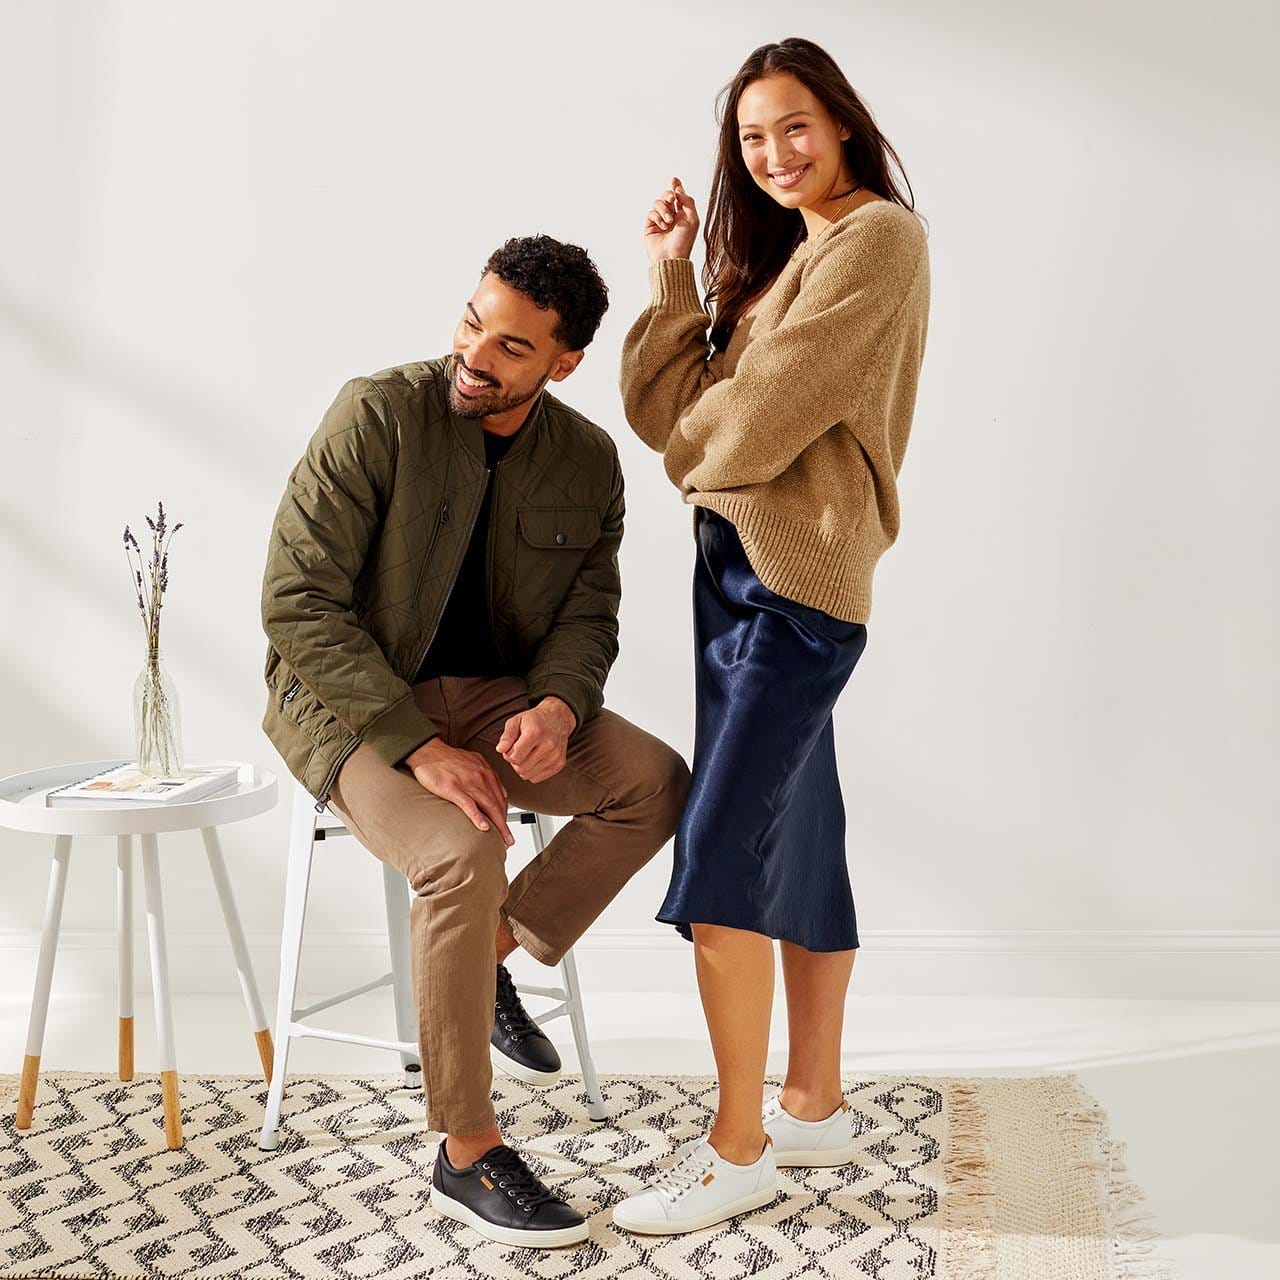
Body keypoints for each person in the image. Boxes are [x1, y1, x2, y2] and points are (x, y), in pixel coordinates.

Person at [260, 234, 691, 1249]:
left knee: (653, 781)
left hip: (496, 700)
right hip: (352, 705)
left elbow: (589, 617)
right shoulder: (378, 413)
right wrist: (413, 744)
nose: (473, 355)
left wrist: (555, 707)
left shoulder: (585, 462)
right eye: (469, 322)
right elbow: (297, 600)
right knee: (460, 854)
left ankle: (488, 954)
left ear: (561, 361)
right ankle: (466, 1148)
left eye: (507, 345)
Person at [612, 37, 931, 1235]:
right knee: (795, 832)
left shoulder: (877, 243)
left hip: (797, 586)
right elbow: (665, 409)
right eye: (753, 137)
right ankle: (812, 1101)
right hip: (733, 578)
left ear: (841, 122)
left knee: (719, 860)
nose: (775, 152)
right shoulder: (778, 259)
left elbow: (746, 420)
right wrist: (669, 272)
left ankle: (735, 1145)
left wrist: (699, 443)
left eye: (793, 125)